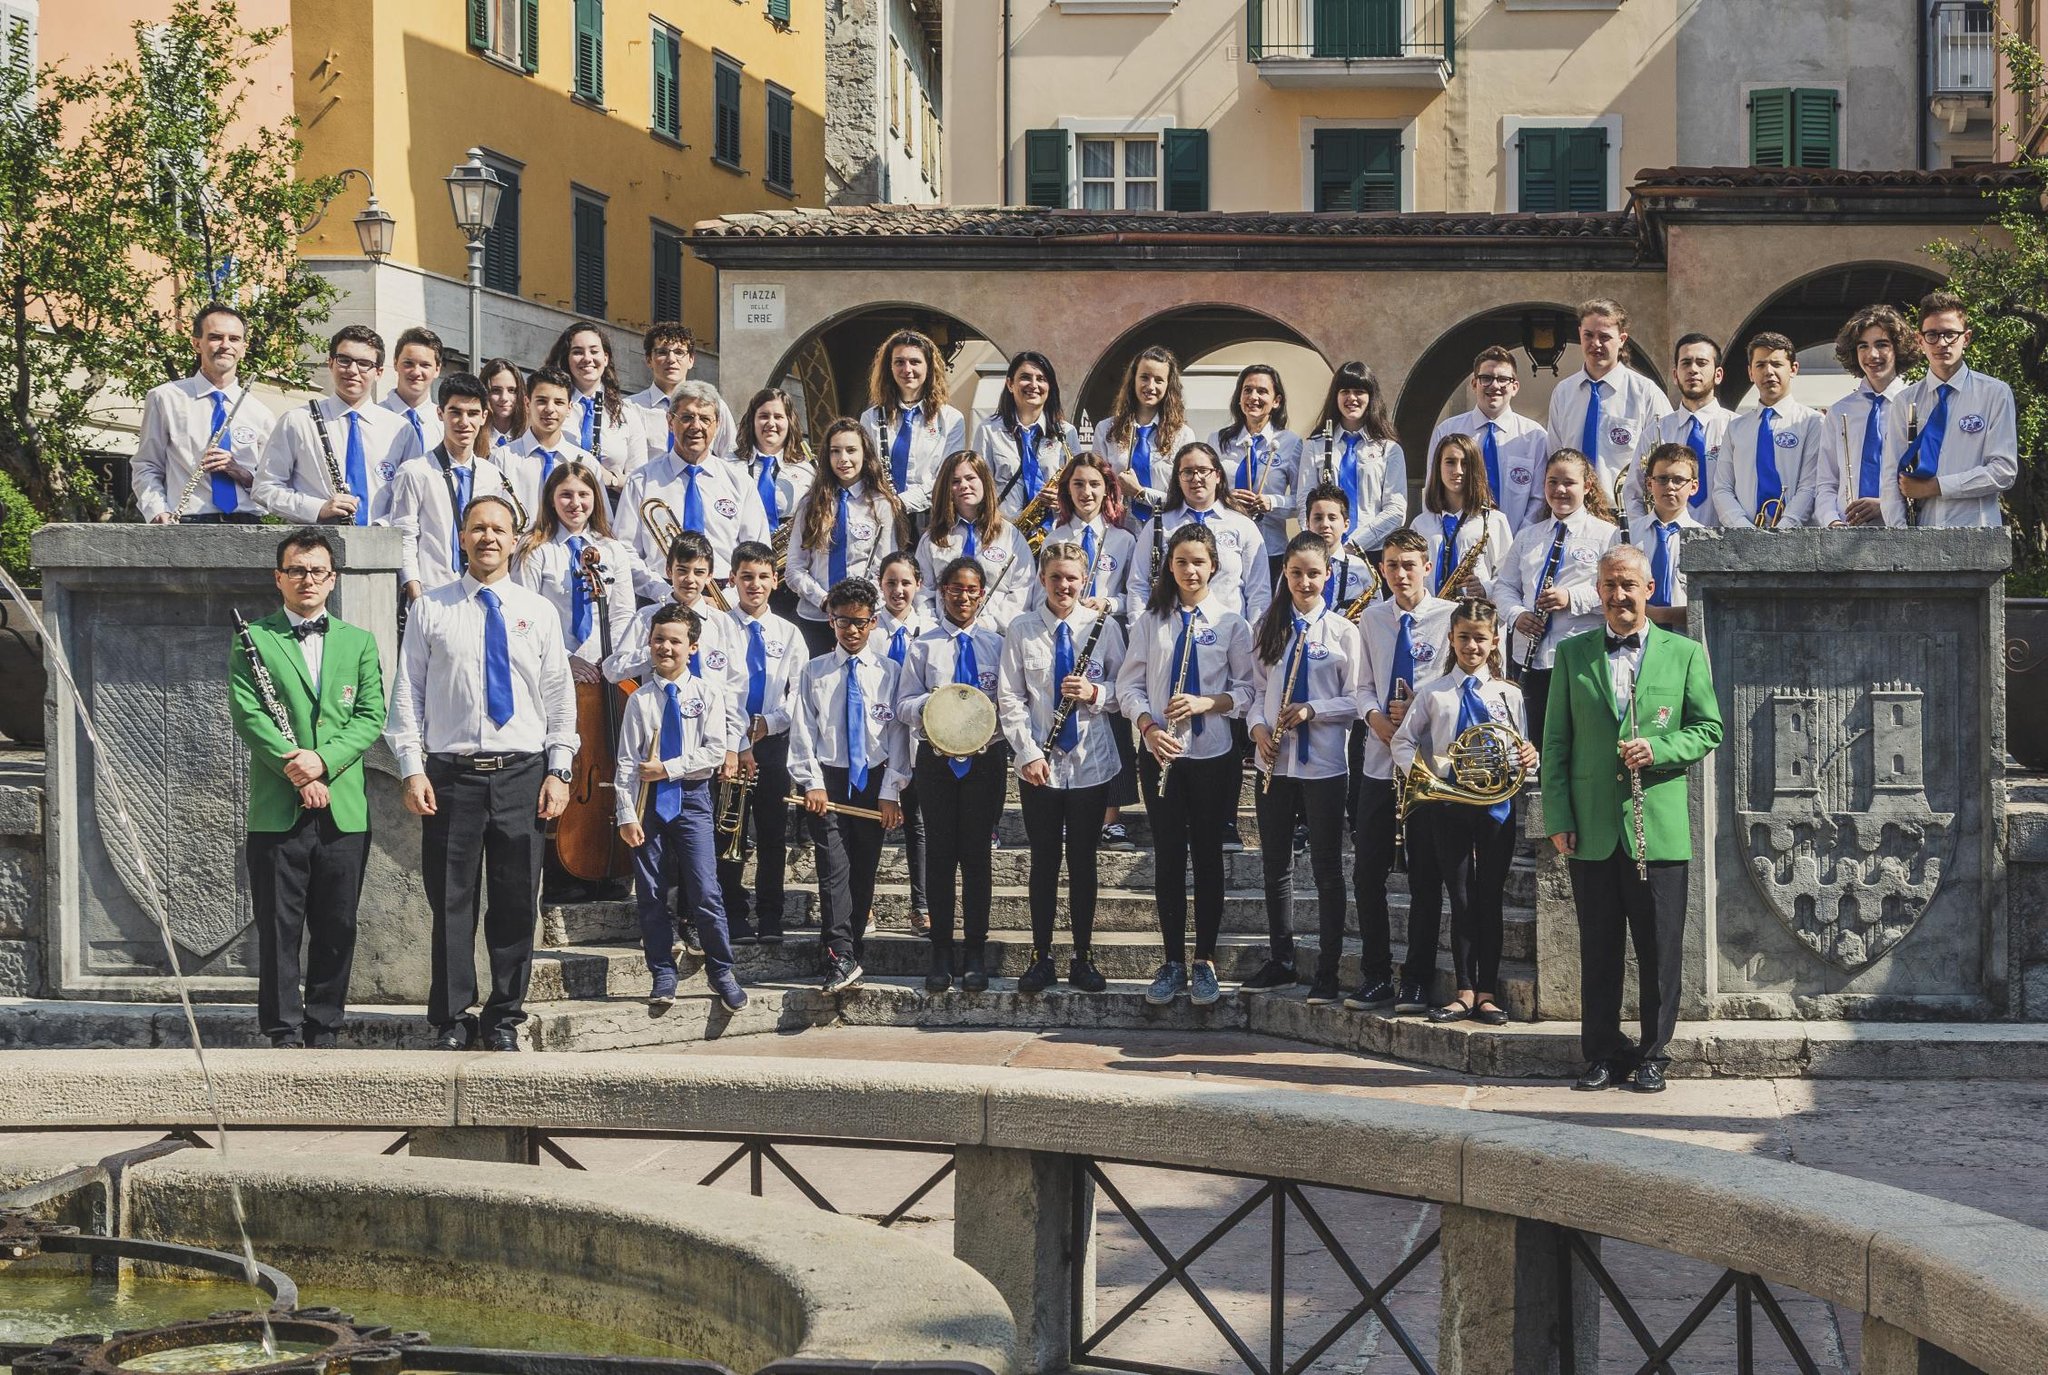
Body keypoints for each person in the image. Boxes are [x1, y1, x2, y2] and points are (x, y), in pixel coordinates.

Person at [385, 495, 578, 1052]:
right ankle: (450, 1019)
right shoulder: (431, 609)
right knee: (451, 903)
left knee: (516, 903)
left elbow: (559, 698)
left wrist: (559, 771)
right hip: (452, 777)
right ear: (462, 537)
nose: (488, 537)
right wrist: (411, 768)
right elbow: (408, 694)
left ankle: (504, 1018)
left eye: (498, 529)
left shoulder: (538, 612)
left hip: (522, 774)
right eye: (477, 528)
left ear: (515, 540)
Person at [1545, 544, 1722, 1094]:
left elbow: (1709, 728)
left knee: (1659, 950)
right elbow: (1556, 742)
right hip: (1592, 827)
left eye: (1628, 585)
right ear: (1598, 591)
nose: (1619, 595)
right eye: (1609, 585)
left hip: (1657, 829)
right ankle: (1601, 1052)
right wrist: (1558, 815)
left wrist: (1660, 749)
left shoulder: (1684, 653)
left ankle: (1653, 1054)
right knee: (1598, 948)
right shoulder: (1571, 654)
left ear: (1649, 590)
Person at [228, 529, 387, 1048]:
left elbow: (370, 717)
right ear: (279, 578)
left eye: (317, 570)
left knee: (337, 926)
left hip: (342, 807)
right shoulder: (254, 638)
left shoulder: (359, 642)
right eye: (296, 570)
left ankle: (325, 1027)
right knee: (279, 928)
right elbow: (250, 717)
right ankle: (283, 1030)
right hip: (278, 808)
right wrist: (297, 771)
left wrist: (322, 762)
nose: (307, 579)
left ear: (332, 579)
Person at [1116, 523, 1255, 1009]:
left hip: (1213, 754)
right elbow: (1128, 686)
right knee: (1170, 857)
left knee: (1209, 857)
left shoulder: (1232, 623)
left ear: (1213, 566)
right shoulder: (1151, 621)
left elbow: (1247, 691)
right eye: (1181, 562)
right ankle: (1173, 959)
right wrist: (1148, 727)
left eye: (1199, 561)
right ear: (1169, 567)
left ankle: (1205, 960)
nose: (1190, 570)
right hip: (1161, 753)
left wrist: (1206, 703)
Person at [1392, 598, 1539, 1027]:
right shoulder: (1433, 693)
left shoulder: (1509, 695)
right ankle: (1464, 990)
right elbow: (1402, 741)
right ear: (1451, 639)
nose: (1471, 646)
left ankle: (1488, 992)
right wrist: (1428, 775)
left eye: (1479, 638)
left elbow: (1519, 747)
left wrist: (1529, 758)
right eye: (1463, 638)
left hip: (1496, 808)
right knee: (1460, 898)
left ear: (1494, 641)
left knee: (1489, 898)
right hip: (1448, 805)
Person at [999, 541, 1123, 995]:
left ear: (1085, 580)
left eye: (1072, 578)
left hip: (1092, 762)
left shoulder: (1104, 627)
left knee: (1084, 861)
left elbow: (1126, 687)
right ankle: (1041, 955)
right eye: (1055, 577)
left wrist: (1095, 693)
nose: (1064, 585)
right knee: (1045, 861)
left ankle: (1084, 956)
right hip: (1041, 764)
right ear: (1042, 579)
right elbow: (1010, 697)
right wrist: (1028, 752)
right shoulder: (1022, 628)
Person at [1246, 531, 1363, 1002]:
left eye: (1314, 573)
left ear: (1328, 574)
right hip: (1274, 763)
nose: (1305, 582)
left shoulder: (1343, 632)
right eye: (1296, 573)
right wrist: (1257, 728)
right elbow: (1256, 692)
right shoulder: (1267, 626)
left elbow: (1356, 699)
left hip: (1325, 766)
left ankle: (1328, 970)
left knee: (1327, 868)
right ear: (1285, 574)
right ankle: (1282, 960)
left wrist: (1314, 710)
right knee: (1275, 865)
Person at [614, 603, 748, 1012]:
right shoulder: (639, 700)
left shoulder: (707, 694)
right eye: (659, 640)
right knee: (652, 893)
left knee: (705, 889)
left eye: (675, 641)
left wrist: (667, 768)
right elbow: (626, 763)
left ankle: (722, 970)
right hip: (648, 802)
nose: (665, 648)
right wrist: (626, 815)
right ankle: (662, 973)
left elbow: (713, 752)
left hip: (691, 798)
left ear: (692, 647)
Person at [788, 576, 911, 994]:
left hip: (873, 781)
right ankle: (838, 953)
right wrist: (812, 783)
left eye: (860, 622)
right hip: (830, 780)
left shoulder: (890, 672)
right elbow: (803, 732)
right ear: (831, 620)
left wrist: (891, 791)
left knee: (863, 870)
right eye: (844, 622)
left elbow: (897, 737)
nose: (852, 630)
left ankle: (851, 949)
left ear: (873, 622)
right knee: (833, 870)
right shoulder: (815, 671)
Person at [1350, 528, 1454, 1013]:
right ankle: (1375, 974)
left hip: (1426, 765)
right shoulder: (1372, 619)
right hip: (1378, 762)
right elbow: (1361, 686)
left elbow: (1457, 686)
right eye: (1391, 565)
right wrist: (1376, 719)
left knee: (1425, 878)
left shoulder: (1449, 616)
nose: (1400, 574)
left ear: (1426, 567)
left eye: (1409, 564)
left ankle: (1416, 978)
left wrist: (1417, 712)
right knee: (1367, 873)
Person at [898, 556, 1009, 991]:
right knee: (941, 857)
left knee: (978, 857)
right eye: (955, 588)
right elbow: (902, 704)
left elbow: (1011, 701)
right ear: (942, 591)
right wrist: (934, 705)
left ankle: (975, 951)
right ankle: (941, 950)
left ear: (982, 594)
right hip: (936, 761)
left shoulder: (997, 645)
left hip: (985, 760)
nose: (963, 597)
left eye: (972, 589)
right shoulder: (923, 646)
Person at [1492, 449, 1621, 752]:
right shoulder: (1528, 536)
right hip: (1530, 660)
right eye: (1552, 482)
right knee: (1534, 743)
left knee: (1579, 743)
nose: (1560, 490)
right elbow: (1504, 587)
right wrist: (1517, 615)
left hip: (1581, 657)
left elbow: (1616, 591)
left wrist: (1570, 597)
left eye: (1569, 483)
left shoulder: (1607, 536)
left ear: (1587, 486)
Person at [717, 539, 809, 945]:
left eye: (762, 577)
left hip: (771, 744)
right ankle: (733, 913)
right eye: (746, 577)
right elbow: (717, 688)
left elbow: (799, 692)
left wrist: (768, 725)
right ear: (732, 579)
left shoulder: (789, 633)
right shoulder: (718, 628)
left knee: (772, 835)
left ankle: (771, 915)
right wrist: (738, 737)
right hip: (728, 744)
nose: (754, 585)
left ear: (776, 580)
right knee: (729, 832)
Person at [614, 380, 771, 596]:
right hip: (660, 595)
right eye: (687, 417)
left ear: (717, 425)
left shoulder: (740, 482)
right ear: (670, 422)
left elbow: (757, 554)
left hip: (724, 597)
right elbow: (625, 551)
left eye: (705, 419)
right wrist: (663, 593)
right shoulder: (641, 480)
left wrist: (728, 599)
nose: (696, 426)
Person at [133, 302, 276, 525]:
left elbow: (273, 483)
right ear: (197, 343)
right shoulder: (165, 398)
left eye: (234, 339)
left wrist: (240, 472)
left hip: (247, 523)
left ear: (243, 348)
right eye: (215, 337)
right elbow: (146, 465)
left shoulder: (260, 412)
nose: (225, 345)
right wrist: (157, 510)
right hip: (188, 522)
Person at [1886, 289, 2018, 529]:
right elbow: (1890, 475)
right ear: (1920, 340)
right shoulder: (1905, 401)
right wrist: (1899, 534)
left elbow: (2003, 471)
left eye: (1950, 334)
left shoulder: (1995, 393)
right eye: (1932, 335)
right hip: (1922, 531)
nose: (1942, 343)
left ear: (1966, 338)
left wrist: (1936, 487)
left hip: (1978, 530)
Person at [253, 325, 408, 527]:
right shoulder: (298, 421)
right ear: (330, 363)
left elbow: (411, 499)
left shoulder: (401, 430)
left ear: (378, 372)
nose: (352, 370)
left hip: (382, 541)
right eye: (344, 360)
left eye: (364, 364)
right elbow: (264, 488)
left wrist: (382, 527)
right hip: (316, 541)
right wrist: (317, 509)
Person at [388, 373, 515, 600]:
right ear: (440, 413)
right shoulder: (415, 472)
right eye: (455, 412)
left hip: (482, 593)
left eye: (472, 413)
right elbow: (404, 538)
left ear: (484, 416)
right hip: (432, 594)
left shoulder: (492, 475)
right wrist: (417, 597)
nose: (464, 422)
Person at [785, 418, 904, 656]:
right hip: (816, 618)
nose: (843, 459)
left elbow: (886, 569)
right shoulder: (810, 504)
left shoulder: (881, 504)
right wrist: (824, 600)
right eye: (835, 451)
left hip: (862, 621)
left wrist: (858, 605)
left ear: (865, 453)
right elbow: (794, 568)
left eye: (851, 450)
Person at [513, 463, 637, 684]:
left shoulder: (611, 549)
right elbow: (524, 615)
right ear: (551, 499)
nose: (576, 503)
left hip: (603, 670)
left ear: (595, 498)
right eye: (566, 495)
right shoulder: (535, 548)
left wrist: (611, 657)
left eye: (583, 494)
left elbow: (622, 614)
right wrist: (565, 658)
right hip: (551, 667)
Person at [1126, 441, 1269, 625]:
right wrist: (1138, 628)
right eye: (1187, 472)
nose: (1196, 478)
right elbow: (1138, 584)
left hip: (1227, 632)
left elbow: (1259, 591)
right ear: (1178, 479)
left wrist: (1255, 635)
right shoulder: (1158, 525)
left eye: (1203, 470)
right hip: (1169, 630)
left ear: (1218, 476)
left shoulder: (1243, 526)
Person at [1545, 298, 1671, 501]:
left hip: (1626, 510)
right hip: (1574, 509)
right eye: (1588, 335)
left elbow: (1667, 457)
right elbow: (1554, 455)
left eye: (1604, 337)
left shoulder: (1646, 393)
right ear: (1580, 333)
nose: (1595, 343)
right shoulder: (1563, 393)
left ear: (1622, 339)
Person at [1428, 346, 1552, 531]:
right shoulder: (1447, 431)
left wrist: (1520, 539)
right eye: (1486, 378)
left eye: (1503, 379)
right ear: (1474, 384)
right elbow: (1434, 489)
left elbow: (1539, 498)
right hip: (1459, 540)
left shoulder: (1535, 437)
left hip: (1518, 539)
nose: (1494, 386)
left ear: (1515, 387)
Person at [875, 551, 933, 937]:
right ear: (880, 585)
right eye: (891, 582)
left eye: (906, 582)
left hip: (916, 738)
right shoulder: (869, 628)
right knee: (871, 825)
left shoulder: (930, 630)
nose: (898, 590)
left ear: (919, 585)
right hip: (878, 740)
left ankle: (921, 905)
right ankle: (863, 902)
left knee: (918, 824)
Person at [1816, 305, 1915, 529]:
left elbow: (1928, 478)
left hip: (1903, 529)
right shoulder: (1839, 411)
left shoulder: (1916, 405)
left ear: (1898, 348)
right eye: (1863, 346)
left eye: (1882, 344)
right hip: (1846, 533)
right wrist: (1832, 520)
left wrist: (1886, 504)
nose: (1872, 355)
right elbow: (1826, 482)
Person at [1712, 333, 1825, 528]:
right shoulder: (1736, 428)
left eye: (1777, 364)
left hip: (1796, 536)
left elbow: (1810, 486)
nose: (1769, 371)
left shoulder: (1813, 422)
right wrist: (1743, 528)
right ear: (1750, 373)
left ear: (1793, 369)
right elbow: (1722, 488)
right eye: (1761, 365)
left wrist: (1784, 529)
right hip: (1744, 536)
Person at [915, 450, 1033, 631]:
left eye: (970, 478)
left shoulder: (1010, 535)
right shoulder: (932, 539)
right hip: (943, 634)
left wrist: (989, 625)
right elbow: (923, 594)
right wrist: (935, 629)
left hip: (996, 636)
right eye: (955, 481)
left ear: (984, 481)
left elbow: (1022, 591)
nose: (964, 485)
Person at [1298, 361, 1405, 556]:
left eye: (1359, 391)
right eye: (1345, 391)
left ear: (1370, 397)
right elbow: (1304, 502)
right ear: (1336, 396)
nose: (1352, 398)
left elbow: (1396, 510)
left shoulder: (1389, 449)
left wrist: (1353, 545)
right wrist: (1318, 544)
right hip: (1325, 550)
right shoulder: (1315, 446)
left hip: (1372, 551)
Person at [1626, 334, 1733, 527]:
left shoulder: (1736, 428)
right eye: (1686, 363)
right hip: (1665, 537)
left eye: (1701, 363)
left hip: (1723, 539)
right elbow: (1633, 492)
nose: (1693, 369)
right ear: (1675, 375)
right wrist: (1646, 532)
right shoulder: (1656, 431)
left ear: (1718, 375)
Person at [861, 328, 966, 520]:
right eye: (899, 362)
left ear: (929, 367)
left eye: (915, 362)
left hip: (930, 516)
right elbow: (866, 471)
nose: (907, 369)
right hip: (882, 514)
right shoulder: (871, 418)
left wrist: (901, 502)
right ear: (889, 368)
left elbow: (947, 476)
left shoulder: (951, 419)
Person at [732, 386, 816, 623]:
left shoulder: (807, 470)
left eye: (778, 417)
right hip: (740, 568)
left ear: (790, 422)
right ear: (752, 420)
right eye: (763, 416)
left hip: (786, 574)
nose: (771, 423)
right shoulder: (729, 464)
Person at [1212, 363, 1303, 575]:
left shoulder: (1290, 443)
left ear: (1276, 401)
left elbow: (1302, 501)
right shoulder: (1217, 441)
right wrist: (1225, 498)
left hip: (1269, 549)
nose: (1254, 397)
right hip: (1225, 547)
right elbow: (1204, 493)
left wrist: (1272, 502)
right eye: (1247, 390)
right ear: (1239, 397)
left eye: (1262, 391)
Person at [545, 320, 655, 492]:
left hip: (612, 504)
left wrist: (611, 479)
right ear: (567, 359)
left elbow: (640, 481)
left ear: (605, 358)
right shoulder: (552, 408)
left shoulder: (627, 414)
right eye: (577, 352)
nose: (587, 358)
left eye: (594, 351)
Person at [1095, 346, 1198, 527]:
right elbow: (1095, 485)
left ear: (1168, 385)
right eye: (1144, 377)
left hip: (1165, 529)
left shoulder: (1182, 435)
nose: (1150, 386)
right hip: (1117, 530)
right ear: (1133, 380)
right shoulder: (1106, 430)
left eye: (1159, 380)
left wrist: (1140, 493)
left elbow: (1187, 497)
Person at [976, 351, 1080, 522]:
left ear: (1050, 387)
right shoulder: (988, 430)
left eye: (1041, 379)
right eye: (1025, 377)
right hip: (1005, 528)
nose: (1033, 385)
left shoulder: (1066, 432)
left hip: (1054, 529)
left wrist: (1063, 498)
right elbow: (979, 487)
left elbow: (1079, 485)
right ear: (1010, 384)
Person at [1412, 434, 1514, 601]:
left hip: (1475, 613)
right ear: (1438, 466)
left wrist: (1485, 588)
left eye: (1465, 463)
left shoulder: (1494, 521)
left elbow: (1510, 579)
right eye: (1450, 462)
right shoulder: (1421, 523)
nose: (1458, 471)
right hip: (1430, 612)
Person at [500, 366, 599, 520]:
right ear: (527, 403)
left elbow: (601, 521)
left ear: (569, 408)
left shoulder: (587, 462)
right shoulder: (503, 458)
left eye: (559, 402)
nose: (550, 409)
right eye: (541, 401)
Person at [630, 323, 738, 463]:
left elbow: (731, 456)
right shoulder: (631, 408)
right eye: (662, 352)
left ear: (691, 360)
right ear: (649, 360)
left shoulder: (713, 406)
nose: (671, 359)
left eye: (679, 352)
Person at [1636, 444, 1707, 629]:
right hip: (1636, 638)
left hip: (1686, 638)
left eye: (1678, 480)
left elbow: (1711, 604)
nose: (1669, 486)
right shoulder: (1628, 533)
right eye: (1662, 479)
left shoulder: (1706, 540)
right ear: (1649, 484)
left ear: (1694, 486)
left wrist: (1660, 615)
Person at [1302, 486, 1380, 614]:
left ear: (1346, 525)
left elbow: (1378, 610)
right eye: (1318, 518)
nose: (1325, 524)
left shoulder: (1360, 567)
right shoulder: (1297, 566)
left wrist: (1366, 618)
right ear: (1307, 524)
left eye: (1332, 518)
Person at [380, 326, 445, 464]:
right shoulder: (376, 417)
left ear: (437, 370)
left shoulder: (445, 423)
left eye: (425, 365)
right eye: (408, 363)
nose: (416, 372)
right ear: (395, 363)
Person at [477, 358, 527, 456]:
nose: (504, 398)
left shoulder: (529, 436)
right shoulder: (472, 437)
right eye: (496, 390)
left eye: (511, 390)